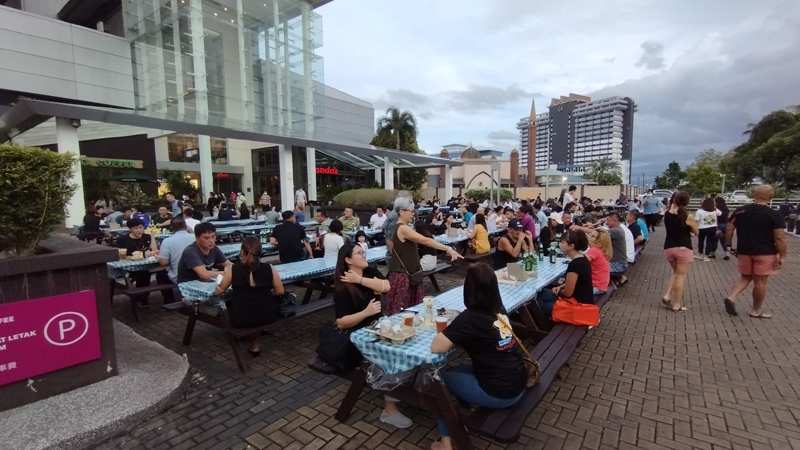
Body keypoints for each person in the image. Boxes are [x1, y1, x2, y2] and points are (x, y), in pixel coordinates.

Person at [429, 263, 526, 450]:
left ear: (470, 289)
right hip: (517, 382)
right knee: (455, 371)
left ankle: (445, 443)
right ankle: (462, 415)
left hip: (500, 393)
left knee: (439, 380)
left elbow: (437, 346)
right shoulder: (499, 309)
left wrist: (456, 327)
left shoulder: (471, 317)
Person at [329, 243, 412, 428]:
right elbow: (341, 322)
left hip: (377, 329)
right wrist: (365, 313)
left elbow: (386, 286)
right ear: (348, 260)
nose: (363, 255)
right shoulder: (343, 286)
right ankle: (389, 410)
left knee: (406, 344)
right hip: (357, 338)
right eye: (359, 253)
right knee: (392, 356)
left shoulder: (369, 271)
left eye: (363, 251)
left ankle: (411, 388)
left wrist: (359, 280)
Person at [387, 197, 462, 315]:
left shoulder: (401, 227)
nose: (413, 214)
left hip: (407, 274)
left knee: (407, 311)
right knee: (405, 312)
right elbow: (426, 241)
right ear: (401, 212)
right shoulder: (402, 228)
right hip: (404, 276)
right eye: (411, 211)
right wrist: (448, 249)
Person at [723, 185, 786, 318]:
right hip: (765, 252)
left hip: (744, 251)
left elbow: (729, 229)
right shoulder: (774, 214)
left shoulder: (740, 211)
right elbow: (779, 237)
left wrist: (728, 245)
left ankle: (731, 297)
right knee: (760, 281)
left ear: (754, 195)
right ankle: (756, 310)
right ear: (770, 196)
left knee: (745, 277)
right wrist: (783, 255)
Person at [215, 237, 284, 356]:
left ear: (242, 252)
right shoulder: (269, 268)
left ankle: (253, 344)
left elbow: (219, 292)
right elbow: (280, 291)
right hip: (268, 315)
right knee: (256, 307)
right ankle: (254, 345)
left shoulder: (233, 269)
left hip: (241, 318)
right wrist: (267, 293)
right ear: (261, 253)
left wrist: (223, 277)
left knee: (239, 306)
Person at [536, 230, 594, 316]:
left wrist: (560, 292)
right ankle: (537, 319)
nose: (560, 245)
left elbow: (568, 293)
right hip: (582, 299)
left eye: (562, 242)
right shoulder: (582, 258)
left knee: (542, 304)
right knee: (541, 294)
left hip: (579, 305)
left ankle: (540, 321)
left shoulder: (575, 264)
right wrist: (560, 287)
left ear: (571, 246)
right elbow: (577, 283)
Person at [661, 191, 699, 312]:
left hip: (669, 247)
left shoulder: (667, 214)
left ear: (674, 200)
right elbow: (696, 232)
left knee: (677, 273)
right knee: (680, 276)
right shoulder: (688, 216)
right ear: (687, 202)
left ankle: (667, 295)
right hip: (683, 247)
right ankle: (677, 304)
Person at [115, 218, 159, 307]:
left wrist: (152, 237)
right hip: (128, 266)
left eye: (140, 227)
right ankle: (141, 298)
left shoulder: (146, 237)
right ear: (130, 229)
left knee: (148, 272)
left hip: (145, 265)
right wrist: (131, 257)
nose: (139, 230)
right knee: (144, 273)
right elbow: (120, 255)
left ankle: (142, 297)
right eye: (135, 228)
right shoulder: (123, 239)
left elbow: (154, 251)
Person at [157, 217, 196, 290]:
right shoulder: (195, 238)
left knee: (160, 275)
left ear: (171, 228)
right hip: (198, 273)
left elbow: (163, 262)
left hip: (179, 275)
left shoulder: (167, 241)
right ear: (186, 226)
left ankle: (169, 297)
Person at [384, 190, 415, 256]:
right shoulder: (396, 216)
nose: (412, 204)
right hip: (396, 257)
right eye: (409, 201)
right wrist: (398, 259)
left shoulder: (397, 214)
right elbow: (390, 242)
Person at [585, 229, 612, 295]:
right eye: (590, 234)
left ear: (599, 241)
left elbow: (580, 263)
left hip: (596, 287)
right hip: (602, 286)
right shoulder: (601, 250)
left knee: (570, 291)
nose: (588, 236)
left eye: (592, 236)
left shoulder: (594, 250)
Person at [694, 197, 721, 261]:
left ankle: (700, 253)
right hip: (712, 228)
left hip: (702, 228)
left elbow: (696, 220)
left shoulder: (699, 211)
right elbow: (720, 214)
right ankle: (706, 255)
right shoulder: (715, 210)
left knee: (701, 241)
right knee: (709, 242)